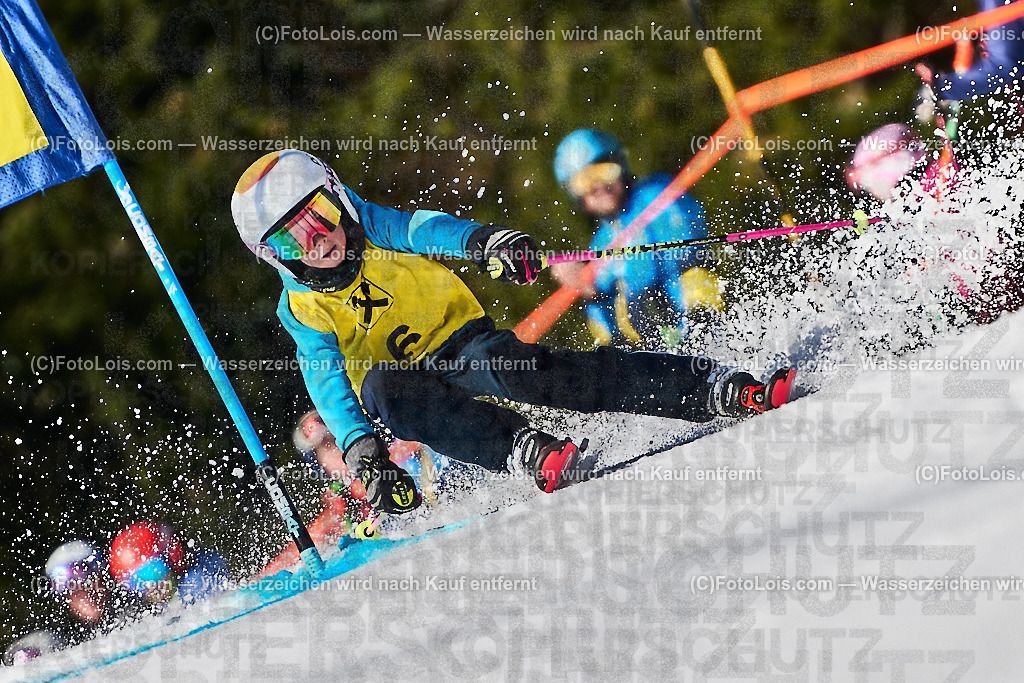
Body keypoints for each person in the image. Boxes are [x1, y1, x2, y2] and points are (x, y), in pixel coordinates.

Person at [229, 149, 795, 514]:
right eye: (289, 241)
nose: (317, 242)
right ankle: (521, 449)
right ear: (270, 257)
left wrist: (486, 243)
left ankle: (711, 387)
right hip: (406, 387)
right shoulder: (301, 309)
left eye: (320, 216)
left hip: (461, 343)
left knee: (534, 373)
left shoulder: (373, 225)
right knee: (381, 389)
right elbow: (326, 380)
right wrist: (359, 448)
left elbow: (427, 229)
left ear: (337, 197)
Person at [550, 128, 724, 348]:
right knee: (612, 326)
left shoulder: (656, 192)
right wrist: (590, 291)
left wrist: (623, 284)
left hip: (696, 315)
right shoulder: (600, 243)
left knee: (676, 289)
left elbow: (685, 247)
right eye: (583, 182)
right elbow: (606, 325)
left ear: (620, 164)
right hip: (656, 341)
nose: (598, 186)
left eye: (602, 170)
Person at [108, 521, 229, 607]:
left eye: (152, 572)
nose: (150, 586)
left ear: (174, 557)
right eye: (138, 582)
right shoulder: (163, 604)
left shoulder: (200, 579)